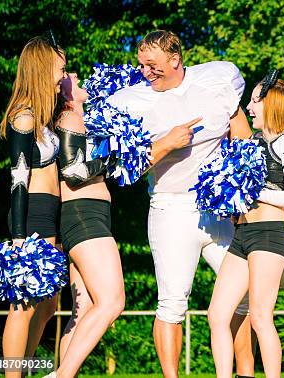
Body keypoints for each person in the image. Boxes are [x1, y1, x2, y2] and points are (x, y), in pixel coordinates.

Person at [106, 30, 254, 378]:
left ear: (175, 60)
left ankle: (245, 373)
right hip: (170, 209)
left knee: (244, 298)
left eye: (152, 65)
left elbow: (241, 134)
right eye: (141, 65)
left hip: (218, 209)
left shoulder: (217, 79)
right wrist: (167, 143)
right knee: (172, 302)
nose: (145, 72)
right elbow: (123, 171)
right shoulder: (131, 102)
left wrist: (241, 196)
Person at [208, 74, 284, 378]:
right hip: (242, 235)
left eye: (254, 101)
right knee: (217, 314)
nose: (248, 107)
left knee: (261, 317)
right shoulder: (257, 142)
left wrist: (252, 189)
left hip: (268, 236)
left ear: (271, 103)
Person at [47, 73, 124, 377]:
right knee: (112, 302)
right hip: (84, 214)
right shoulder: (69, 117)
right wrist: (112, 157)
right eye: (69, 77)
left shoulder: (82, 119)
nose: (76, 76)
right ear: (64, 94)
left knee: (83, 311)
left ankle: (63, 373)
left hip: (86, 215)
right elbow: (73, 172)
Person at [0, 36, 66, 378]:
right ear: (42, 67)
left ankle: (22, 368)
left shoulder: (42, 117)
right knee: (23, 304)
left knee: (50, 303)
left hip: (51, 213)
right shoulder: (23, 118)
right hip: (33, 214)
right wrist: (20, 236)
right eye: (60, 67)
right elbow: (19, 179)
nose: (63, 74)